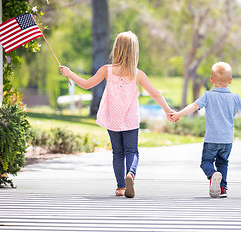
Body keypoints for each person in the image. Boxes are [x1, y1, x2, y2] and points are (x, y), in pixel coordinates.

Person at [59, 31, 174, 198]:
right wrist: (168, 110)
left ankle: (120, 187)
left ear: (117, 49)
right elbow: (155, 94)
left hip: (113, 118)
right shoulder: (138, 74)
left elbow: (85, 84)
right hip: (130, 119)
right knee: (132, 151)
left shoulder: (107, 71)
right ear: (135, 51)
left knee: (118, 152)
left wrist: (69, 73)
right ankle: (131, 174)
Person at [170, 62, 241, 198]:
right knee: (222, 162)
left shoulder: (208, 96)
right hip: (227, 140)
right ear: (230, 80)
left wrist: (178, 114)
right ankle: (222, 189)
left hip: (212, 139)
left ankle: (212, 175)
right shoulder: (234, 98)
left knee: (206, 162)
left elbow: (194, 106)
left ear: (211, 80)